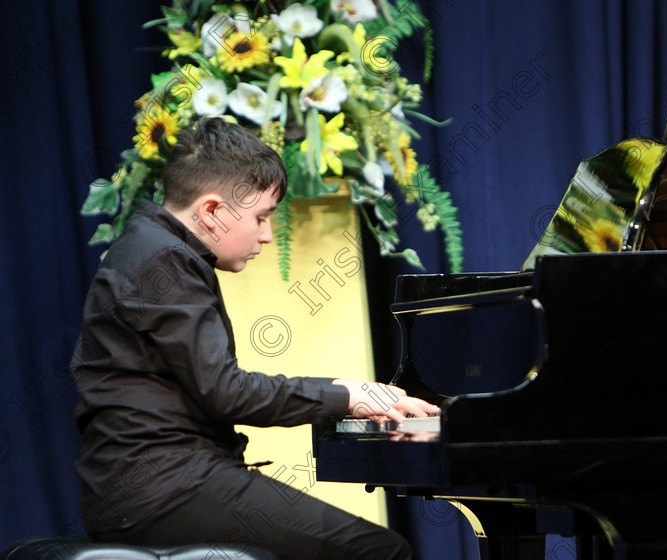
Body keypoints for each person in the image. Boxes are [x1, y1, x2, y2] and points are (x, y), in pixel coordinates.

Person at [70, 117, 439, 560]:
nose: (266, 235)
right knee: (381, 551)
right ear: (210, 211)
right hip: (161, 489)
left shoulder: (153, 248)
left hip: (151, 484)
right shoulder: (163, 260)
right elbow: (226, 392)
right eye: (261, 217)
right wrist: (348, 395)